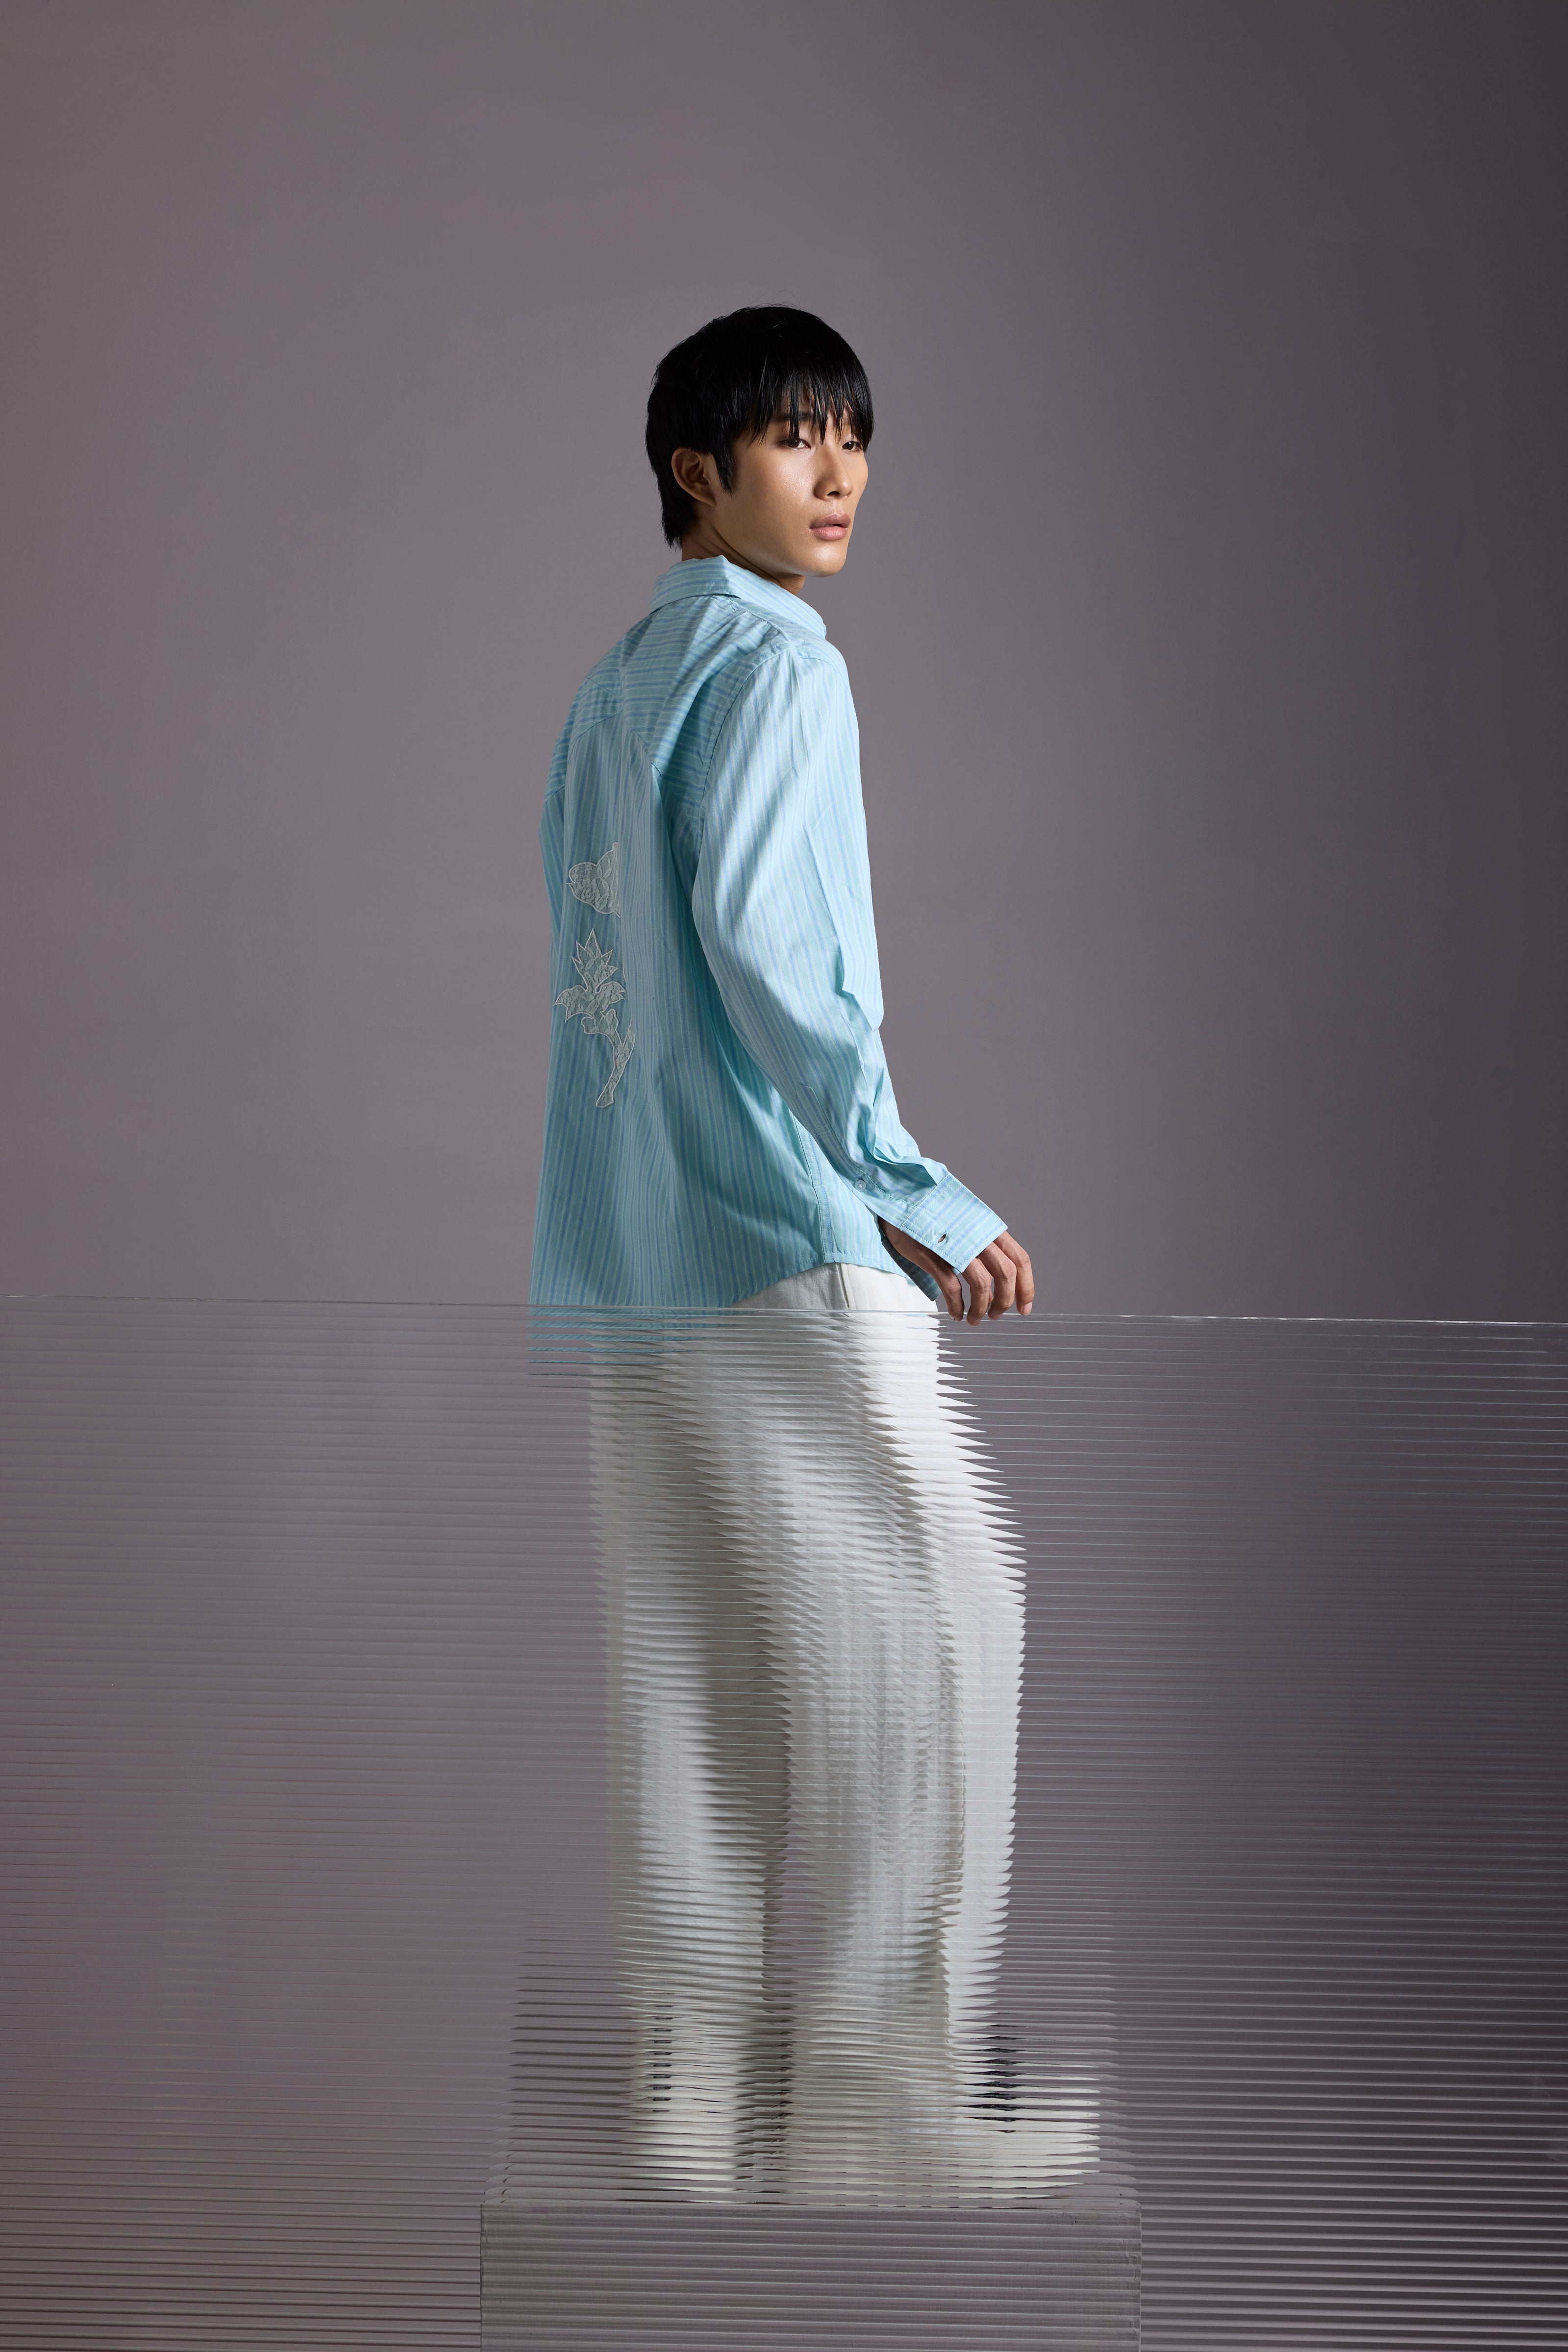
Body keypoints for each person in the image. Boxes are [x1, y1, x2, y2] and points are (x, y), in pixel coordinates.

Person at [529, 306, 1094, 2201]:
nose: (839, 474)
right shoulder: (774, 659)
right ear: (698, 475)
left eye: (853, 436)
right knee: (939, 1634)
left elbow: (606, 993)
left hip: (630, 1264)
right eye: (793, 440)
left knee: (691, 1680)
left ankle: (691, 2110)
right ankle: (877, 2103)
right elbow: (773, 951)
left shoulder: (613, 689)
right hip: (780, 1240)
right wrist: (910, 1191)